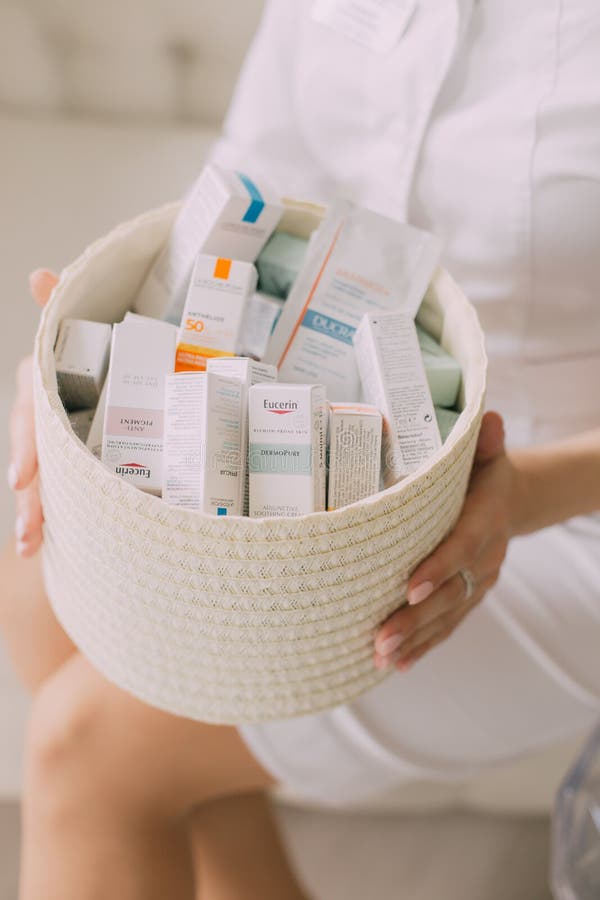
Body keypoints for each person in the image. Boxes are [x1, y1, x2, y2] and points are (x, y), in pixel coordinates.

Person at [3, 1, 600, 897]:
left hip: (569, 516)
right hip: (333, 406)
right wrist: (79, 355)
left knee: (87, 754)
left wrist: (521, 498)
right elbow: (259, 175)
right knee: (37, 583)